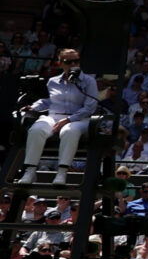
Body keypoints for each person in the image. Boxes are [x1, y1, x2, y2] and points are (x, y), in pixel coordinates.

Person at [23, 48, 99, 184]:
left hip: (78, 119)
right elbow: (47, 101)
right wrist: (33, 107)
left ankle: (62, 173)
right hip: (53, 116)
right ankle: (30, 171)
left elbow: (90, 107)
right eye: (68, 61)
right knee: (36, 130)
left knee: (69, 131)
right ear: (60, 63)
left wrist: (68, 119)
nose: (73, 64)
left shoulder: (89, 81)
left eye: (76, 61)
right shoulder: (52, 81)